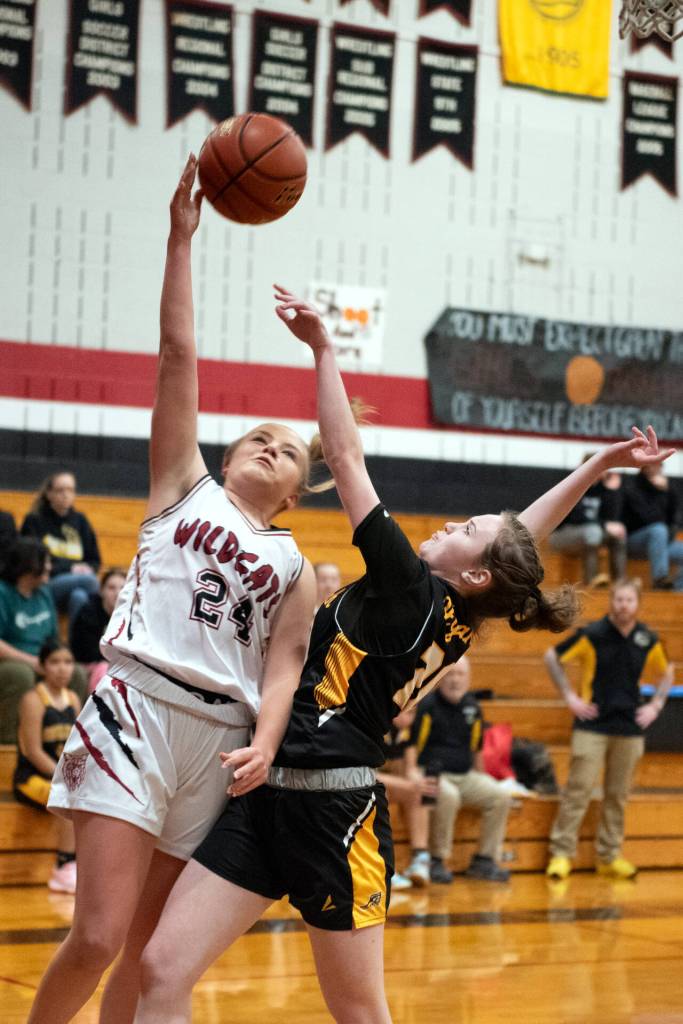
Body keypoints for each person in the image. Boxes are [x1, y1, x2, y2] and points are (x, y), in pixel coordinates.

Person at [133, 281, 674, 1024]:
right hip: (266, 798)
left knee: (360, 1013)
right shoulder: (461, 604)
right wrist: (593, 468)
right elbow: (521, 538)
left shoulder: (408, 588)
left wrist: (325, 348)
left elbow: (347, 457)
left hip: (336, 812)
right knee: (162, 968)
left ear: (471, 570)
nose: (453, 521)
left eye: (465, 527)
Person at [26, 156, 318, 1024]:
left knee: (152, 960)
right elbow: (178, 352)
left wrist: (265, 743)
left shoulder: (296, 566)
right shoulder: (181, 486)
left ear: (299, 489)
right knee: (97, 936)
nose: (270, 446)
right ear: (227, 457)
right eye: (258, 437)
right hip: (134, 708)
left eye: (289, 449)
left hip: (219, 743)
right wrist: (180, 240)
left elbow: (283, 671)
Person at [545, 578, 674, 881]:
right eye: (618, 599)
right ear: (611, 601)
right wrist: (570, 697)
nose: (623, 605)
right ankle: (562, 855)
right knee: (578, 792)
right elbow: (552, 657)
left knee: (617, 796)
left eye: (629, 600)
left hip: (629, 728)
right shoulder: (593, 634)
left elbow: (667, 672)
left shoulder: (646, 638)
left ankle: (609, 856)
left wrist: (655, 705)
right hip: (592, 725)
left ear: (638, 604)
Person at [403, 657, 512, 886]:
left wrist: (483, 778)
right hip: (432, 773)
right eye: (451, 675)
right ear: (441, 678)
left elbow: (477, 749)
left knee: (501, 795)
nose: (455, 680)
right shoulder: (428, 705)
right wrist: (412, 771)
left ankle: (484, 859)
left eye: (460, 675)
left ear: (468, 678)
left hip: (465, 775)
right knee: (449, 796)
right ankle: (437, 859)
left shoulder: (473, 707)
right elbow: (411, 742)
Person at [0, 538, 85, 744]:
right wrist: (33, 662)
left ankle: (70, 743)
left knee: (77, 673)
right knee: (21, 674)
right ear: (29, 565)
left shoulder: (44, 593)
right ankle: (9, 745)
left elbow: (54, 639)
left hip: (43, 659)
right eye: (45, 562)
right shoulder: (3, 592)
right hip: (12, 661)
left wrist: (59, 661)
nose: (49, 567)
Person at [13, 639, 81, 894]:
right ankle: (63, 867)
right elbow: (32, 751)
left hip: (59, 776)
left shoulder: (73, 698)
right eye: (54, 662)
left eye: (68, 662)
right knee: (71, 795)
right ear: (42, 667)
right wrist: (65, 776)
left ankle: (78, 864)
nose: (62, 668)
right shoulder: (33, 699)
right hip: (30, 778)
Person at [21, 472, 101, 622]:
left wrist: (87, 568)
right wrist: (71, 568)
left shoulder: (81, 521)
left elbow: (95, 561)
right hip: (45, 584)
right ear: (49, 493)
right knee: (91, 581)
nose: (66, 495)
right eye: (60, 490)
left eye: (70, 490)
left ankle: (76, 645)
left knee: (79, 597)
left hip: (77, 584)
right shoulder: (34, 520)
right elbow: (32, 560)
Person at [377, 706, 436, 890]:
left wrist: (420, 781)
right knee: (378, 795)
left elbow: (410, 769)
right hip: (360, 783)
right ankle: (382, 868)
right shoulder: (377, 722)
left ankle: (420, 859)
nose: (407, 718)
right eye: (404, 712)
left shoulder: (410, 727)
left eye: (412, 713)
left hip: (387, 781)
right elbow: (365, 775)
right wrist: (409, 785)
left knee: (421, 792)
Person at [549, 458, 626, 587]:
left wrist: (612, 492)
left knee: (618, 535)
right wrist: (605, 525)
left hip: (590, 534)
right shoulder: (573, 485)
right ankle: (592, 582)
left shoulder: (602, 489)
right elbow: (577, 516)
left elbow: (612, 518)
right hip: (561, 535)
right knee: (593, 531)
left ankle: (620, 583)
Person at [622, 462, 683, 591]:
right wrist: (658, 490)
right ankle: (660, 580)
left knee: (663, 534)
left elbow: (675, 517)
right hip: (634, 542)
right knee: (658, 530)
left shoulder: (666, 489)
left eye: (660, 465)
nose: (659, 468)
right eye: (655, 465)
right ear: (645, 467)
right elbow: (648, 518)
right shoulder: (632, 487)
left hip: (660, 543)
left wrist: (668, 491)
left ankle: (675, 590)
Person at [69, 567, 127, 692]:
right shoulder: (89, 613)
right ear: (101, 591)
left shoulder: (132, 615)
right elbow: (87, 653)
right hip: (89, 663)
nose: (118, 593)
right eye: (111, 588)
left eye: (122, 588)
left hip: (115, 662)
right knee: (105, 670)